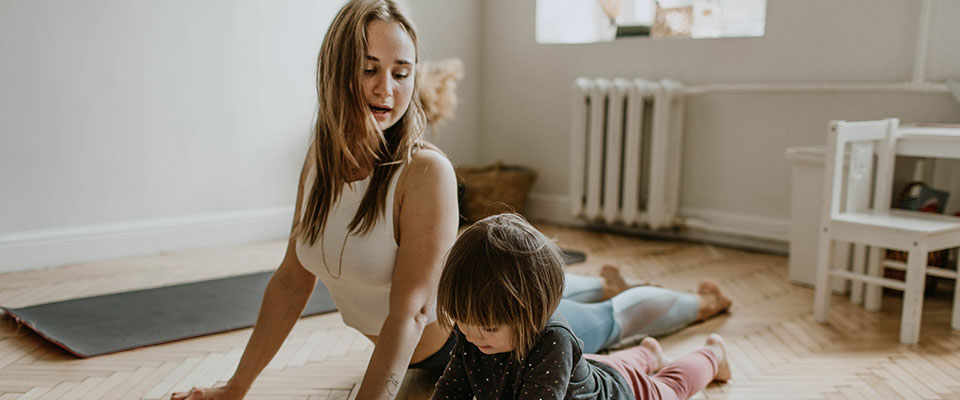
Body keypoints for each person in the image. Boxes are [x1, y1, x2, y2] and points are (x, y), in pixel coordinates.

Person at [172, 1, 729, 398]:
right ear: (336, 70)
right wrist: (235, 389)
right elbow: (292, 278)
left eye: (400, 72)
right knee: (593, 314)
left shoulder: (423, 171)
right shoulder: (318, 164)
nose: (385, 89)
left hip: (485, 338)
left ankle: (700, 306)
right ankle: (599, 288)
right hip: (453, 348)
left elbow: (412, 309)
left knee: (607, 322)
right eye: (368, 69)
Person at [432, 213, 731, 399]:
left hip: (619, 394)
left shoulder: (553, 341)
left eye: (488, 328)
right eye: (461, 320)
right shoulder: (475, 332)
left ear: (533, 315)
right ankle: (647, 352)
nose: (471, 335)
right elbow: (452, 390)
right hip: (591, 368)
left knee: (672, 389)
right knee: (608, 367)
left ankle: (713, 355)